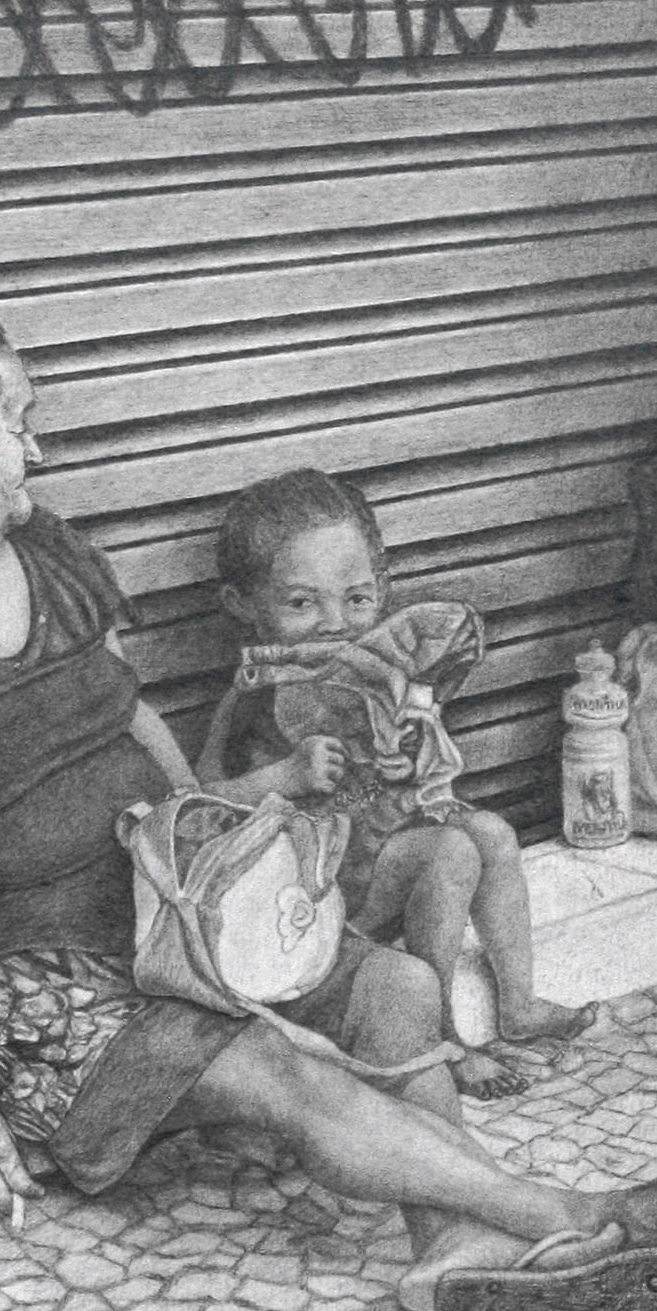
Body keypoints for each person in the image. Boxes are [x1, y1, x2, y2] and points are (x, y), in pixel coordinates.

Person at [0, 295, 657, 1311]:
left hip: (152, 898)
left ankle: (449, 1246)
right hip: (13, 979)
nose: (35, 450)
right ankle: (578, 1214)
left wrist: (210, 837)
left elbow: (127, 712)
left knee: (399, 984)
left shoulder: (47, 553)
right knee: (278, 1067)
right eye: (17, 422)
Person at [205, 468, 597, 1102]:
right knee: (450, 852)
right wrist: (285, 775)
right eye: (302, 603)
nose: (335, 623)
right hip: (316, 890)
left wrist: (405, 759)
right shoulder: (254, 696)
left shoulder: (374, 677)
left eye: (357, 599)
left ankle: (519, 1004)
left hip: (377, 848)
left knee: (492, 833)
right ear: (242, 605)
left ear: (382, 590)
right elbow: (198, 802)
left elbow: (400, 768)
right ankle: (441, 1036)